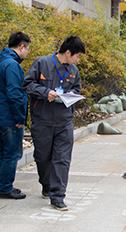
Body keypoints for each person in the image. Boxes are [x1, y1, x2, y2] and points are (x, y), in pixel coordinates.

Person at [23, 36, 85, 211]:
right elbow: (27, 84)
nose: (77, 60)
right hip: (42, 120)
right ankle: (46, 184)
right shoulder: (42, 63)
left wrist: (72, 94)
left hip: (64, 121)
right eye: (77, 56)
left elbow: (77, 89)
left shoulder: (74, 70)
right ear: (67, 52)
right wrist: (45, 93)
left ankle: (57, 195)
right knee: (43, 157)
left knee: (62, 159)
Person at [0, 32, 31, 200]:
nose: (27, 52)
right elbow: (15, 93)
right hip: (9, 117)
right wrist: (20, 118)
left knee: (2, 152)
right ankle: (6, 187)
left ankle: (2, 185)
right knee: (12, 153)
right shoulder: (12, 65)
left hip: (0, 116)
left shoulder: (1, 62)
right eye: (27, 49)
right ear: (21, 47)